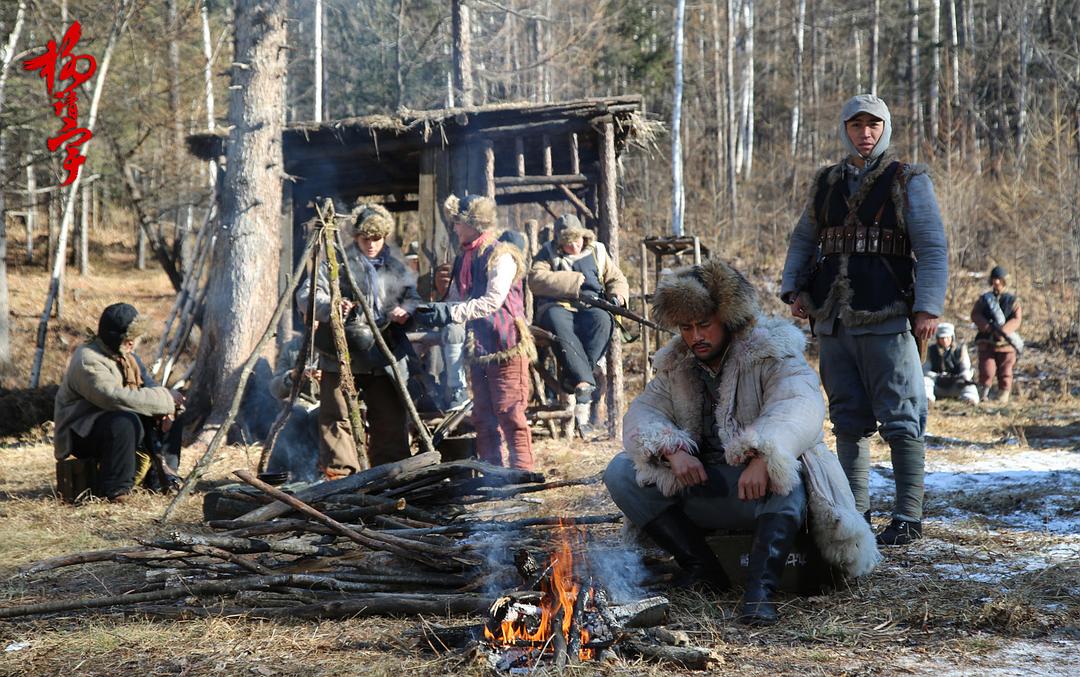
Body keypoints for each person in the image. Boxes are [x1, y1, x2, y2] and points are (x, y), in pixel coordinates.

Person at [603, 259, 879, 626]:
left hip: (765, 494)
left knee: (789, 474)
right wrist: (671, 449)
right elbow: (642, 413)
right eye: (686, 327)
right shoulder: (679, 363)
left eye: (704, 325)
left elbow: (800, 406)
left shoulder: (770, 352)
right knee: (621, 471)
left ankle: (760, 591)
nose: (695, 336)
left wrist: (764, 455)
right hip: (705, 485)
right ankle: (702, 568)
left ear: (728, 319)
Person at [780, 94, 947, 546]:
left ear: (885, 128)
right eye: (856, 125)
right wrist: (793, 288)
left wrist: (927, 308)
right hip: (834, 323)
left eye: (873, 124)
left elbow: (931, 248)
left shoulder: (907, 179)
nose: (865, 133)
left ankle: (908, 516)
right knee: (849, 420)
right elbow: (803, 239)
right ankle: (857, 513)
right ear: (846, 129)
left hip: (888, 316)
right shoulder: (827, 182)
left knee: (901, 418)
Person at [297, 203, 421, 478]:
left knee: (389, 417)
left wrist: (407, 311)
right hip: (340, 351)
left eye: (377, 239)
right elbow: (306, 296)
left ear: (384, 237)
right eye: (366, 239)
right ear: (355, 237)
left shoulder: (396, 265)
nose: (372, 244)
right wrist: (331, 305)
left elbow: (414, 298)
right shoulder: (336, 261)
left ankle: (390, 477)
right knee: (336, 416)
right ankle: (340, 476)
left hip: (383, 350)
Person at [416, 194, 535, 470]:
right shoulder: (464, 258)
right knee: (482, 415)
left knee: (510, 412)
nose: (455, 228)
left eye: (458, 222)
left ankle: (523, 473)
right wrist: (436, 311)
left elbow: (492, 301)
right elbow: (457, 298)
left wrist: (452, 312)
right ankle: (492, 474)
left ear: (473, 223)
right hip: (479, 348)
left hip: (506, 343)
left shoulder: (501, 255)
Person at [53, 303, 184, 502]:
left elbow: (148, 386)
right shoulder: (87, 359)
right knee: (124, 421)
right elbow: (113, 398)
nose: (132, 343)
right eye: (128, 338)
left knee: (172, 413)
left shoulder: (128, 357)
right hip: (81, 432)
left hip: (116, 421)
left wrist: (167, 408)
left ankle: (164, 478)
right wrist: (165, 399)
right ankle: (116, 489)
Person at [528, 214, 629, 433]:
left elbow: (616, 278)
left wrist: (618, 296)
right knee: (559, 325)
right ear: (560, 242)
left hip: (592, 307)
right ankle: (583, 380)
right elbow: (535, 279)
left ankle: (572, 379)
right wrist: (574, 281)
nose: (574, 246)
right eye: (568, 242)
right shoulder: (548, 253)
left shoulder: (598, 251)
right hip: (559, 306)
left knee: (603, 319)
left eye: (577, 240)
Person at [970, 265, 1023, 404]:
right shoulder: (984, 299)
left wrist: (1004, 331)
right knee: (986, 369)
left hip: (1006, 343)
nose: (996, 282)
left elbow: (1017, 319)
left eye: (999, 279)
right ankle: (983, 393)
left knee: (1005, 370)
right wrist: (987, 327)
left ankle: (1003, 394)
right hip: (987, 340)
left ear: (1004, 281)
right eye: (994, 279)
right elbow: (975, 314)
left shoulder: (1013, 301)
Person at [923, 323, 978, 405]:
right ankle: (927, 400)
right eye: (942, 338)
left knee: (969, 385)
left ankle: (969, 400)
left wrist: (961, 377)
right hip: (937, 384)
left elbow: (965, 368)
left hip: (956, 383)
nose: (945, 340)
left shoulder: (961, 350)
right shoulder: (931, 350)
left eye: (947, 337)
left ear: (952, 337)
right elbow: (925, 370)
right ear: (938, 338)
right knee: (925, 381)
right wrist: (937, 376)